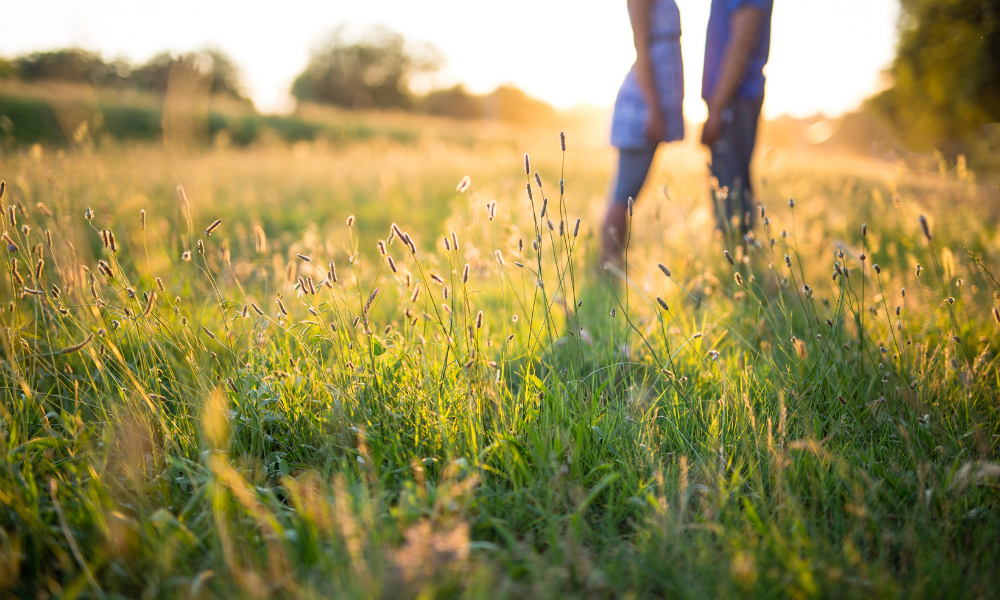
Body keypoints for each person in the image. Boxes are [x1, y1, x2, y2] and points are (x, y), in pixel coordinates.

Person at [602, 0, 685, 268]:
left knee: (626, 193)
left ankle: (611, 266)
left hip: (651, 104)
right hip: (643, 105)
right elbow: (641, 45)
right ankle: (609, 266)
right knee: (623, 194)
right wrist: (653, 107)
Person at [700, 0, 773, 235]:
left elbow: (743, 38)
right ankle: (742, 261)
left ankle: (740, 265)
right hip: (730, 99)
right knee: (731, 192)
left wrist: (718, 107)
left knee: (732, 196)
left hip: (734, 99)